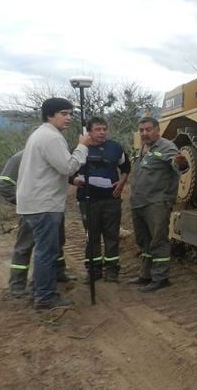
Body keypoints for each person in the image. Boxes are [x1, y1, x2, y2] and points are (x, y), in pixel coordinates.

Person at [17, 97, 90, 309]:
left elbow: (51, 169)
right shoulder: (51, 137)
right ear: (50, 115)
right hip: (44, 204)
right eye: (64, 113)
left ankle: (39, 290)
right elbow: (67, 167)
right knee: (47, 252)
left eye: (70, 114)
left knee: (43, 250)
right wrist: (82, 147)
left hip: (34, 202)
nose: (69, 118)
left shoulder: (40, 135)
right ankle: (45, 297)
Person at [0, 151, 73, 298]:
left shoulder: (52, 155)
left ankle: (58, 273)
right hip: (34, 211)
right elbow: (3, 185)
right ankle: (17, 285)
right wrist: (27, 202)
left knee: (56, 243)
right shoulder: (20, 158)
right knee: (24, 247)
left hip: (54, 209)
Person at [128, 117, 188, 292]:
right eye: (141, 130)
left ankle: (160, 278)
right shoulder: (143, 149)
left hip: (156, 203)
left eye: (148, 129)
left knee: (158, 240)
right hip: (139, 202)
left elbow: (178, 165)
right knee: (143, 240)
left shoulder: (166, 147)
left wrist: (181, 164)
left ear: (157, 130)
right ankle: (145, 275)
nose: (144, 133)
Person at [71, 116, 131, 283]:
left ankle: (112, 271)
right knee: (92, 236)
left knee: (111, 235)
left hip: (111, 199)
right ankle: (94, 270)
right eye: (97, 129)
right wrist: (74, 180)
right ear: (88, 132)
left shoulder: (115, 148)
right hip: (87, 199)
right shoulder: (79, 149)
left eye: (104, 129)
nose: (102, 132)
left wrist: (122, 182)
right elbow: (67, 171)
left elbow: (126, 167)